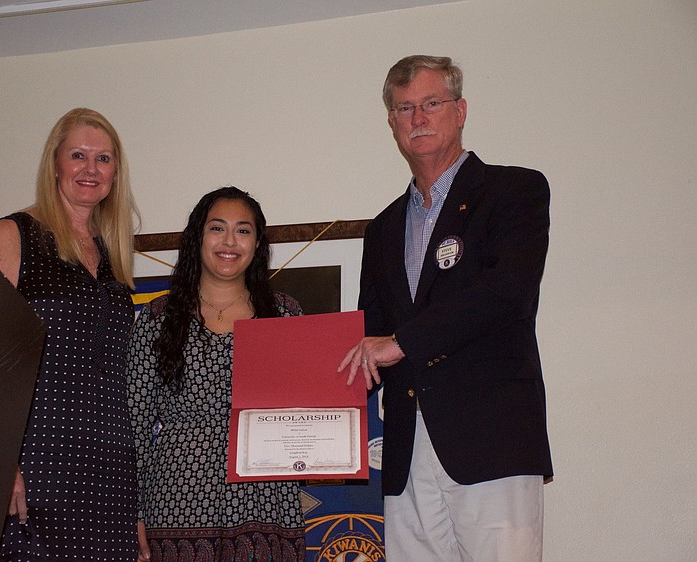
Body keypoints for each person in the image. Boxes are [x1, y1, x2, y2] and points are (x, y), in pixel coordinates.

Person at [338, 55, 553, 561]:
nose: (418, 118)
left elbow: (508, 293)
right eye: (404, 108)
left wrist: (401, 343)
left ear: (459, 110)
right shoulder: (383, 228)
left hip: (490, 439)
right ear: (391, 123)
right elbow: (370, 331)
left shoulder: (514, 191)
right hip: (407, 446)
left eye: (431, 103)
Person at [0, 107, 146, 561]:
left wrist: (133, 504)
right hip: (37, 460)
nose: (90, 169)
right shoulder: (14, 234)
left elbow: (117, 381)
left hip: (110, 468)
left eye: (104, 159)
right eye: (78, 155)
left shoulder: (113, 252)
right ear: (55, 162)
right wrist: (0, 462)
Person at [127, 186, 306, 562]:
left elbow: (312, 410)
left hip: (265, 503)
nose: (229, 241)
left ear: (257, 244)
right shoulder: (158, 320)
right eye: (217, 228)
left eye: (243, 230)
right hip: (176, 503)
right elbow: (135, 425)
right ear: (197, 238)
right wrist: (134, 514)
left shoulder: (286, 316)